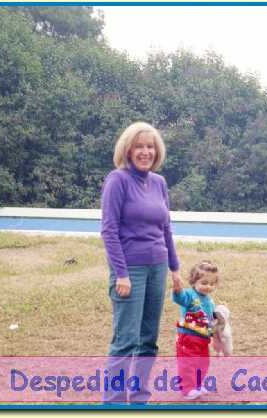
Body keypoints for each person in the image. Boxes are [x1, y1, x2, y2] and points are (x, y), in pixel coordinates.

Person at [101, 121, 181, 404]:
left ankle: (139, 400)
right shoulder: (117, 180)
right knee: (126, 341)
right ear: (127, 150)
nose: (145, 152)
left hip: (157, 268)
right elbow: (109, 230)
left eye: (150, 146)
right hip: (130, 271)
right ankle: (113, 403)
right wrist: (121, 274)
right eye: (139, 146)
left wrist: (174, 268)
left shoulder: (159, 183)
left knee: (148, 339)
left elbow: (166, 228)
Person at [172, 260, 220, 400]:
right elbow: (180, 298)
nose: (208, 287)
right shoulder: (190, 295)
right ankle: (188, 389)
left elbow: (210, 318)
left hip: (203, 338)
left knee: (202, 362)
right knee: (188, 363)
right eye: (204, 283)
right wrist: (177, 290)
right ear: (194, 282)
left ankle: (198, 384)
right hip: (188, 337)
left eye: (212, 284)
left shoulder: (209, 300)